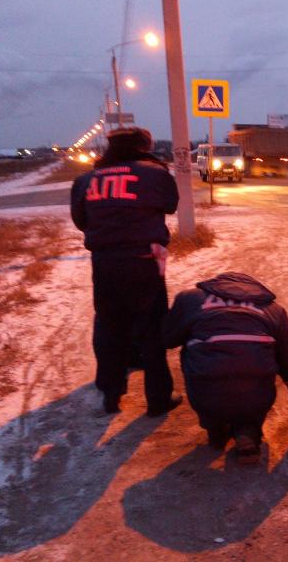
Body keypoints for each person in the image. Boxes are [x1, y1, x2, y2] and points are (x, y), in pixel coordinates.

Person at [70, 126, 182, 417]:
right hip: (145, 260)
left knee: (109, 327)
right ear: (143, 146)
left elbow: (81, 221)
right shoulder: (155, 174)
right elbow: (170, 205)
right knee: (152, 330)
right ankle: (158, 400)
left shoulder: (85, 180)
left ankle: (110, 395)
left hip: (105, 263)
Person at [163, 272, 288, 464]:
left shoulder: (189, 299)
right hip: (255, 394)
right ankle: (248, 432)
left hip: (206, 391)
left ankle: (215, 430)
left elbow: (168, 339)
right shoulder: (274, 310)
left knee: (192, 350)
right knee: (253, 371)